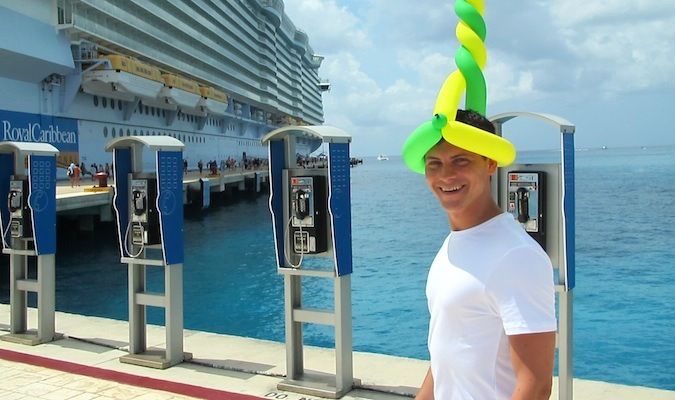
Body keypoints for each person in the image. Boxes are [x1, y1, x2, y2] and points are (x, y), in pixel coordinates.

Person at [414, 110, 556, 400]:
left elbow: (535, 385)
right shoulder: (452, 246)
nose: (446, 175)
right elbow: (447, 357)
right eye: (434, 163)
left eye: (461, 160)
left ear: (490, 163)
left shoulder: (516, 256)